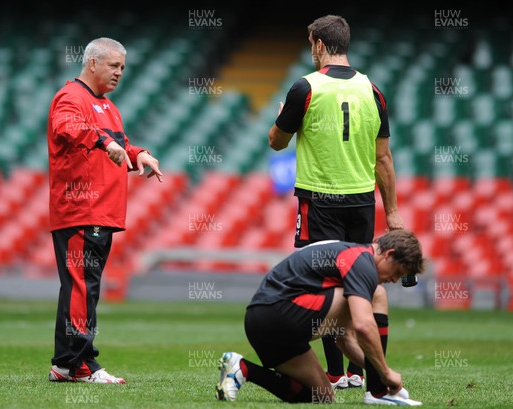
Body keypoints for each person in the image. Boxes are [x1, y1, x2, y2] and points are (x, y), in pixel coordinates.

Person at [268, 14, 406, 390]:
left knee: (325, 283)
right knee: (361, 282)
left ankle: (335, 372)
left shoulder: (305, 88)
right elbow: (384, 159)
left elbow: (276, 142)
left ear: (318, 44)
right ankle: (362, 374)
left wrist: (281, 115)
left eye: (309, 42)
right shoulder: (373, 90)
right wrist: (392, 210)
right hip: (361, 200)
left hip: (320, 199)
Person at [46, 37, 163, 384]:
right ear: (92, 63)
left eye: (123, 68)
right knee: (82, 286)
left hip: (102, 211)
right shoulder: (71, 97)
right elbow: (67, 127)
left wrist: (137, 154)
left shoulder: (108, 107)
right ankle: (79, 364)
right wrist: (105, 142)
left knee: (83, 286)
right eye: (114, 66)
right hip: (81, 209)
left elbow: (119, 144)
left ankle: (66, 363)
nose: (119, 73)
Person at [215, 229, 425, 405]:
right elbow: (363, 325)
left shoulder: (353, 258)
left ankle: (242, 369)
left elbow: (344, 338)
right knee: (378, 293)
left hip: (259, 321)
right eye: (397, 272)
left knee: (321, 396)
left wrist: (377, 369)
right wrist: (385, 373)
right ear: (388, 253)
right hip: (280, 312)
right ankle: (378, 392)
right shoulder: (362, 261)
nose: (395, 279)